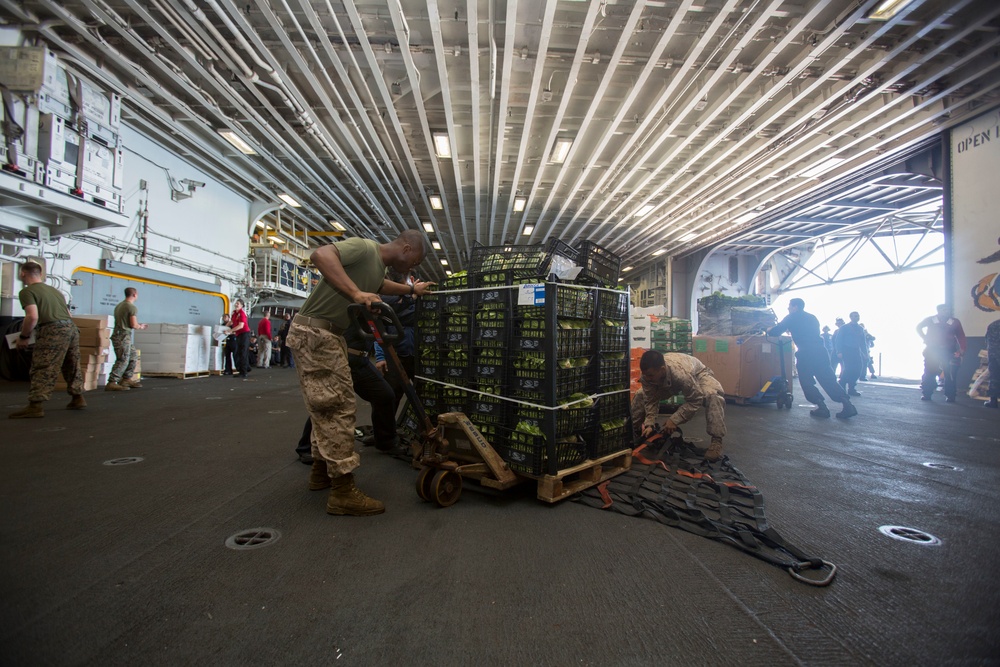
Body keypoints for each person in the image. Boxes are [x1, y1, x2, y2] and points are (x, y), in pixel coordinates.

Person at [285, 230, 434, 516]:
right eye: (414, 261)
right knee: (339, 409)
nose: (412, 268)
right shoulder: (365, 248)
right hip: (318, 333)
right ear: (406, 248)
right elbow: (321, 254)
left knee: (326, 409)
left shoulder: (375, 268)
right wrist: (355, 293)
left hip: (328, 334)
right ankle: (342, 492)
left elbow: (382, 286)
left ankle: (321, 472)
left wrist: (412, 290)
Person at [9, 260, 86, 418]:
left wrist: (24, 337)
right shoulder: (55, 291)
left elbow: (32, 316)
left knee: (43, 366)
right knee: (71, 363)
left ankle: (35, 405)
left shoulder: (27, 292)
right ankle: (77, 397)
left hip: (53, 329)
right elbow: (68, 314)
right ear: (41, 274)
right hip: (71, 328)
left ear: (22, 273)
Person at [768, 298, 857, 419]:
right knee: (828, 379)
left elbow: (776, 331)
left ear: (795, 307)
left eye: (790, 306)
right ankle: (848, 405)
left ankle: (822, 407)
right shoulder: (812, 317)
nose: (788, 308)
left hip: (806, 353)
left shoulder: (791, 317)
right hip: (820, 351)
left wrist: (767, 329)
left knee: (806, 381)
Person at [631, 350, 727, 461]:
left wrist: (674, 420)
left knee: (712, 395)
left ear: (662, 370)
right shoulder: (647, 376)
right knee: (640, 395)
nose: (647, 378)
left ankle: (717, 441)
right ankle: (634, 432)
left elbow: (695, 400)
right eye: (646, 375)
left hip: (697, 374)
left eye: (650, 375)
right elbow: (650, 400)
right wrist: (649, 424)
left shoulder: (680, 374)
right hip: (668, 380)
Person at [916, 304, 967, 403]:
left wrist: (962, 349)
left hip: (948, 351)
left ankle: (950, 395)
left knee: (950, 374)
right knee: (929, 372)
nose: (946, 312)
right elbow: (918, 327)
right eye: (944, 310)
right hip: (932, 350)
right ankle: (927, 393)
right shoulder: (931, 320)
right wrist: (924, 337)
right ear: (938, 311)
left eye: (948, 310)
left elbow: (961, 335)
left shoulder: (955, 322)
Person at [106, 287, 148, 391]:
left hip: (122, 335)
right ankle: (112, 381)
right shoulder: (131, 307)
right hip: (123, 335)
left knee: (133, 356)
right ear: (135, 294)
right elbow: (133, 324)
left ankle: (126, 378)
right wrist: (141, 326)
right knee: (123, 359)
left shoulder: (119, 306)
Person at [835, 311, 866, 397]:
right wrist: (839, 351)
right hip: (847, 350)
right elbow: (839, 340)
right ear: (851, 317)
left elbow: (863, 342)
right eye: (855, 316)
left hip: (856, 350)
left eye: (858, 316)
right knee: (849, 369)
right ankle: (842, 384)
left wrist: (865, 353)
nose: (857, 317)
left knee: (858, 369)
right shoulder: (844, 328)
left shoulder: (860, 329)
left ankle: (852, 388)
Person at [229, 299, 251, 379]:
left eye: (238, 304)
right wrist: (224, 327)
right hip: (238, 334)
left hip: (244, 334)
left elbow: (241, 325)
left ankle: (244, 372)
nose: (236, 305)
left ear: (241, 305)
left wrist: (230, 330)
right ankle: (244, 368)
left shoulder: (242, 313)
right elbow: (231, 322)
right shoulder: (234, 313)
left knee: (243, 352)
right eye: (236, 303)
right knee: (238, 352)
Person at [985, 318, 1000, 408]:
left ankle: (993, 400)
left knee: (994, 377)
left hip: (994, 355)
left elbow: (987, 341)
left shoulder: (993, 325)